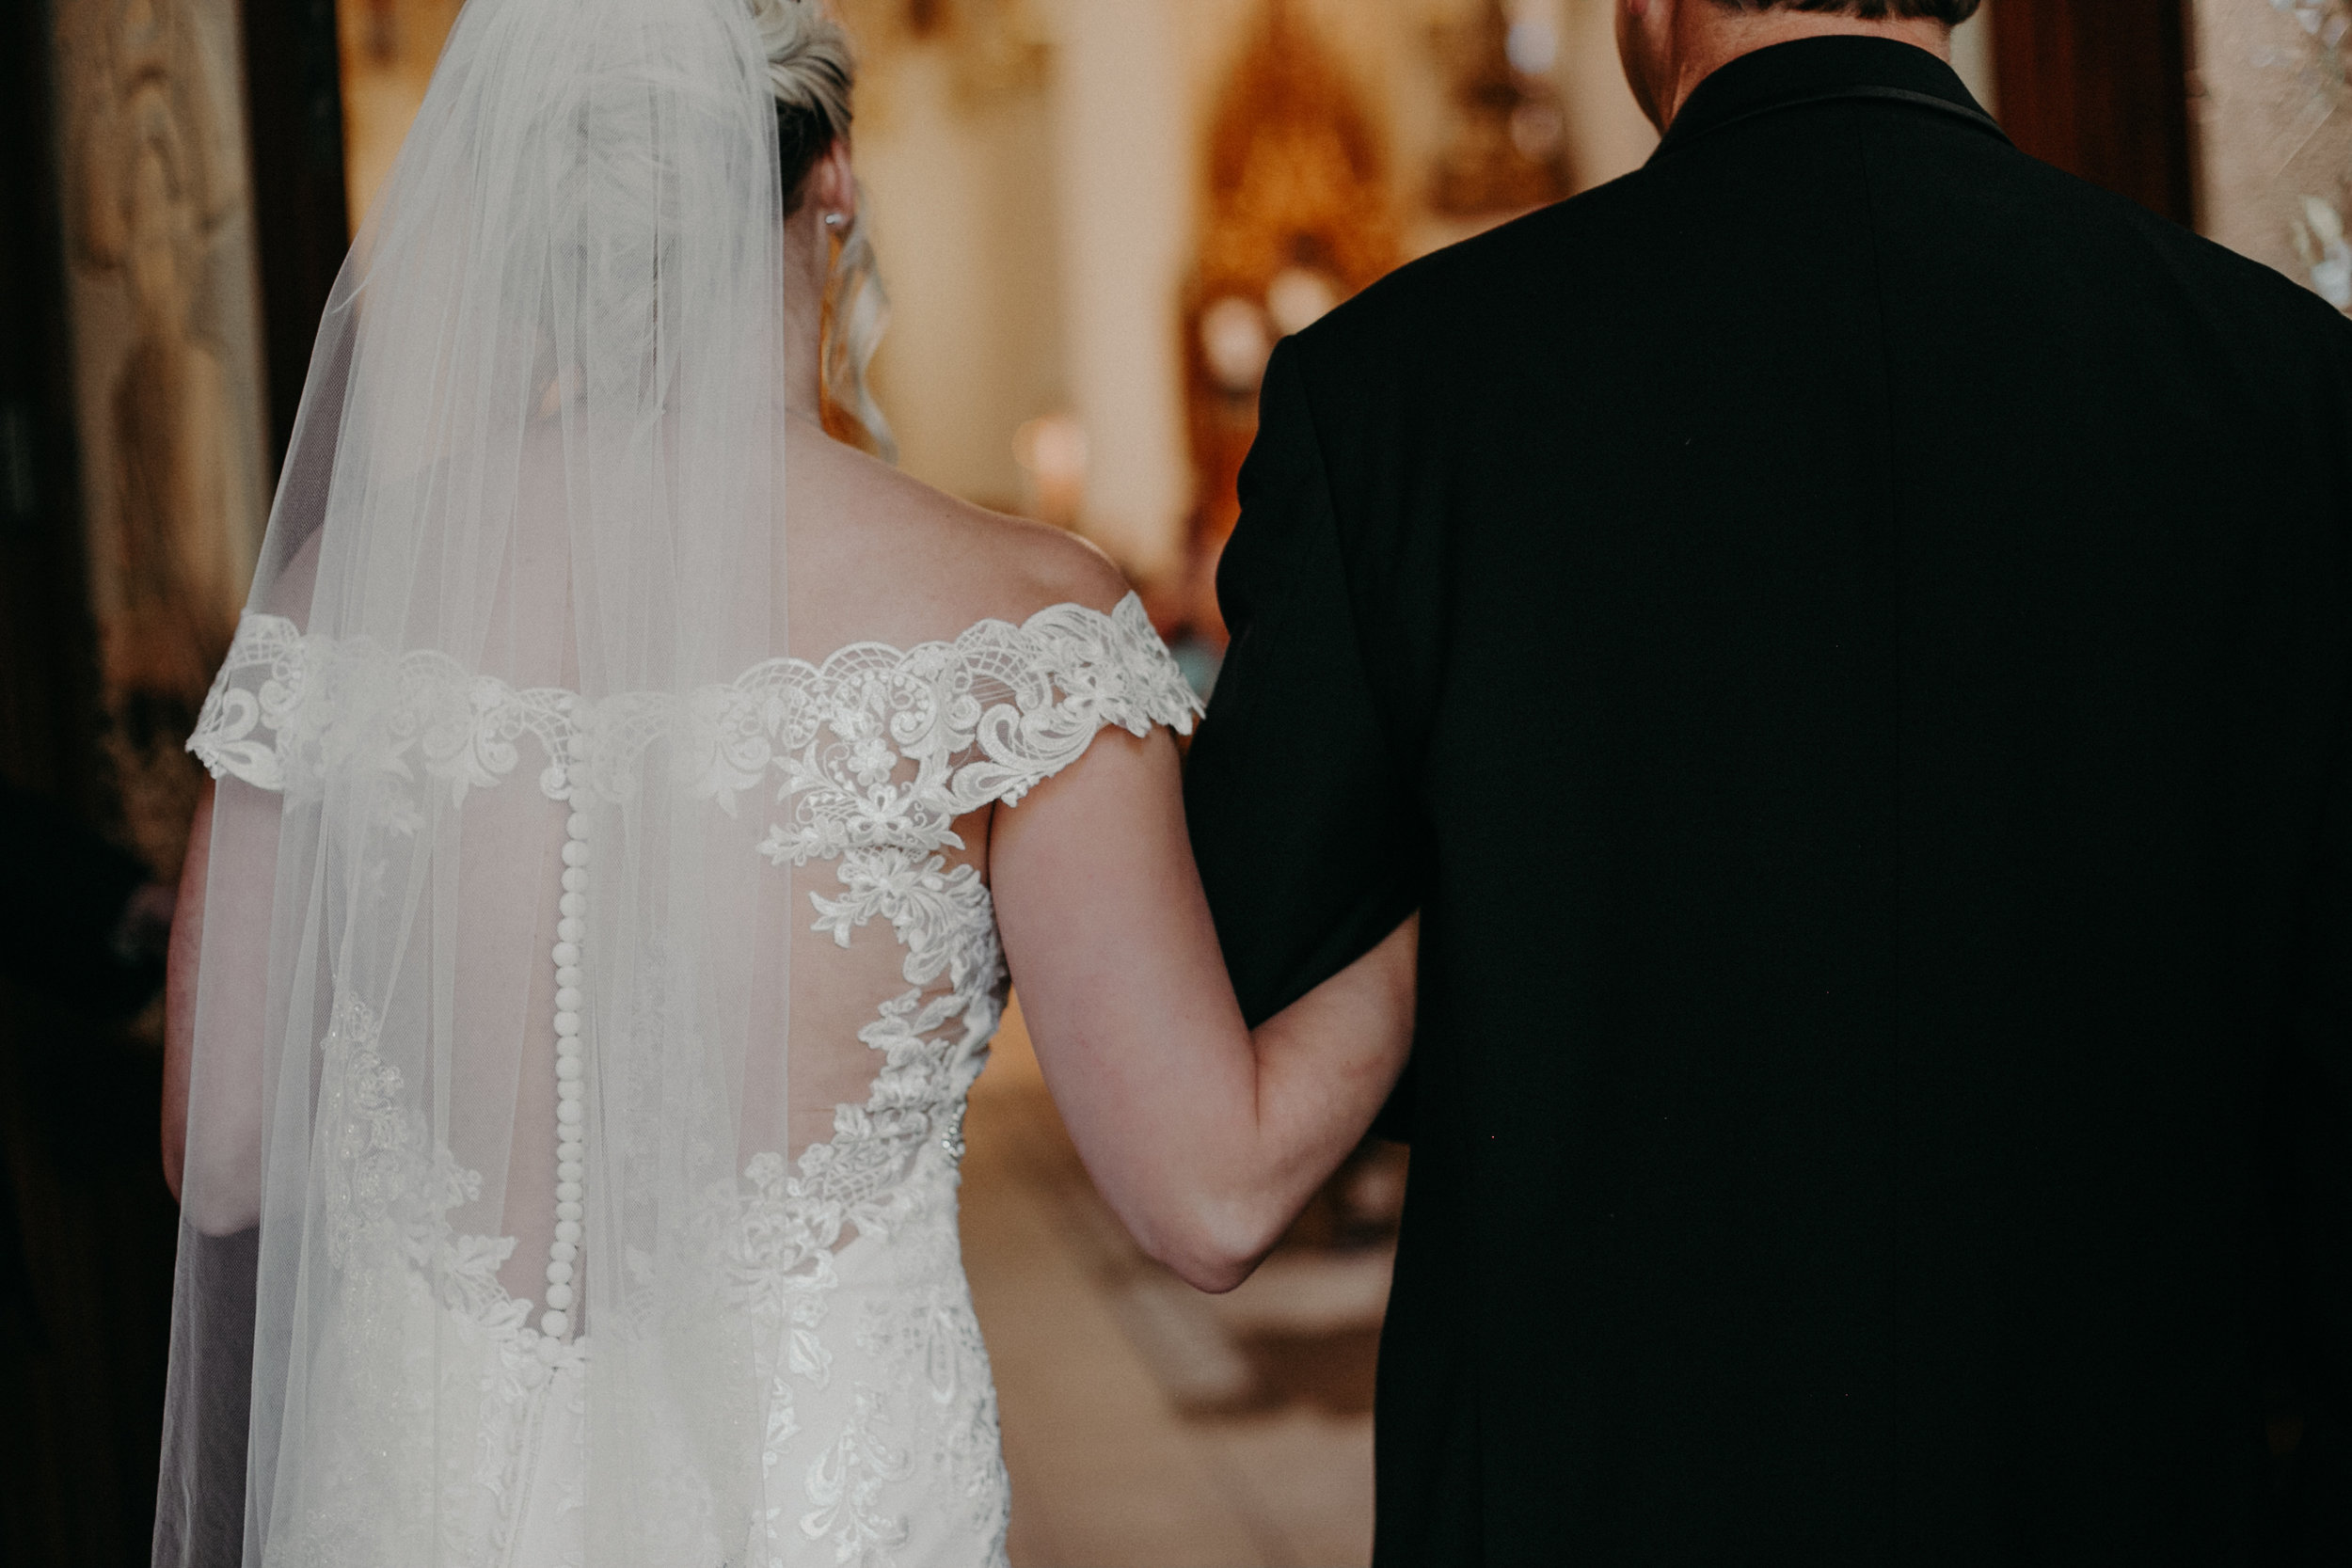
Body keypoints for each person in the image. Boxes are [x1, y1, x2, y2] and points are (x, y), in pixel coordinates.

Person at [154, 0, 1412, 1562]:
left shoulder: (334, 606)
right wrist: (1446, 894)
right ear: (836, 182)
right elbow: (1209, 1203)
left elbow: (217, 1164)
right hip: (819, 1512)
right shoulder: (1015, 625)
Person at [1184, 0, 2352, 1561]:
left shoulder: (1397, 390)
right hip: (2127, 1468)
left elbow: (1261, 954)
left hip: (1591, 1476)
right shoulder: (2290, 388)